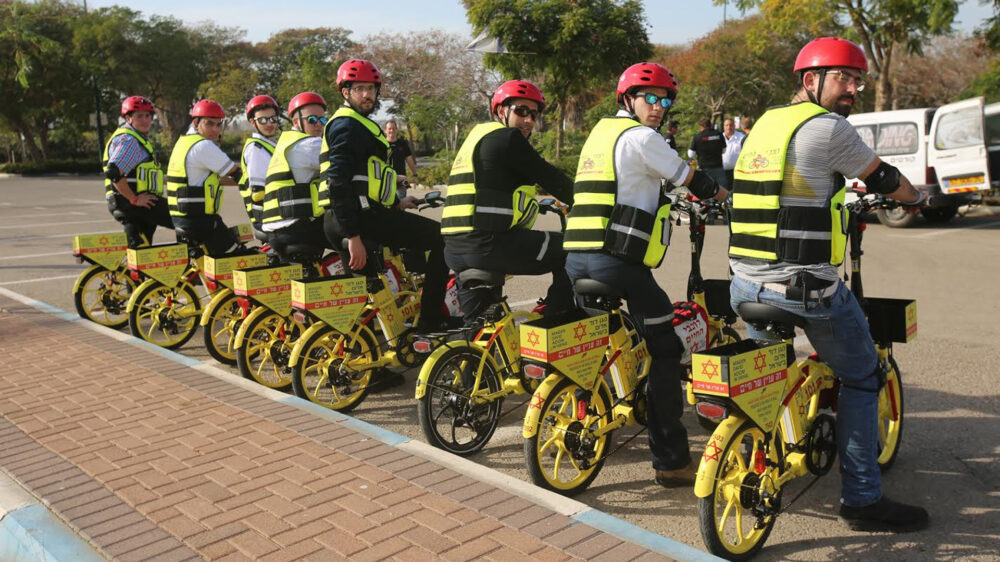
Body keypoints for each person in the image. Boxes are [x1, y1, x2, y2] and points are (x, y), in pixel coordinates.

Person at [728, 37, 929, 532]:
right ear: (809, 80)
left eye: (857, 79)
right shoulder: (827, 128)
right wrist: (916, 197)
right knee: (862, 375)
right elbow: (884, 179)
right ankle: (862, 498)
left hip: (745, 284)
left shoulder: (764, 126)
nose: (853, 88)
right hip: (804, 288)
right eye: (843, 77)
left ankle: (773, 453)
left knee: (769, 377)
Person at [563, 62, 728, 487]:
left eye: (664, 101)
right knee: (666, 349)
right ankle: (671, 460)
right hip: (615, 262)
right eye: (649, 99)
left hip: (575, 259)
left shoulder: (600, 135)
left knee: (602, 340)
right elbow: (686, 176)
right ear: (628, 100)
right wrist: (725, 194)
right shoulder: (641, 138)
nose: (658, 108)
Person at [322, 59, 448, 336]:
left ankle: (377, 353)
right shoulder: (348, 125)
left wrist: (398, 202)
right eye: (359, 89)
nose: (367, 95)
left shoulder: (357, 124)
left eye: (371, 89)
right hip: (357, 220)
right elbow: (338, 182)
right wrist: (353, 235)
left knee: (367, 296)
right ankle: (430, 320)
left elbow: (366, 181)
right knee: (442, 239)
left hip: (349, 216)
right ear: (346, 92)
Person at [441, 80, 575, 326]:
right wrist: (589, 202)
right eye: (521, 111)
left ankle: (472, 359)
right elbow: (553, 179)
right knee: (572, 250)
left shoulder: (475, 139)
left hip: (455, 248)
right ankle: (554, 317)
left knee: (480, 330)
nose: (529, 121)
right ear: (501, 111)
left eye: (534, 115)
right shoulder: (508, 139)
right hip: (489, 246)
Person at [166, 99, 243, 256]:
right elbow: (237, 174)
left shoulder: (183, 143)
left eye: (218, 124)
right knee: (236, 256)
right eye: (209, 124)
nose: (215, 129)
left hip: (181, 217)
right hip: (201, 221)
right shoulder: (203, 146)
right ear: (196, 123)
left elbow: (211, 179)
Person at [261, 92, 332, 255]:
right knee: (355, 234)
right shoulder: (310, 144)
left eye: (323, 120)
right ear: (295, 121)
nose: (318, 125)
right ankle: (360, 279)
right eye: (312, 120)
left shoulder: (284, 144)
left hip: (274, 230)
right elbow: (345, 166)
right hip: (297, 228)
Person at [103, 96, 173, 248]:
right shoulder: (129, 140)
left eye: (148, 115)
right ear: (128, 118)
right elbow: (113, 172)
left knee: (141, 253)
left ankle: (131, 272)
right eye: (139, 116)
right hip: (134, 204)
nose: (146, 120)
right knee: (184, 219)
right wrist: (134, 199)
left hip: (132, 204)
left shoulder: (137, 139)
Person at [240, 95, 280, 231]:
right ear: (253, 122)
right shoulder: (256, 148)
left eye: (273, 119)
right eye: (262, 120)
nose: (269, 124)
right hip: (268, 217)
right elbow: (258, 193)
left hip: (275, 214)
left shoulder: (268, 145)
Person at [688, 117, 726, 188]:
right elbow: (724, 150)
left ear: (701, 126)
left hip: (704, 169)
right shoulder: (719, 134)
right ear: (710, 125)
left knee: (706, 191)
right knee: (722, 191)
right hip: (718, 168)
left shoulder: (697, 137)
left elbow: (690, 154)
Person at [385, 119, 419, 192]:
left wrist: (415, 175)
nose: (392, 130)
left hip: (402, 180)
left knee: (402, 201)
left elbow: (409, 159)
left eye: (394, 128)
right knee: (387, 202)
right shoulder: (382, 144)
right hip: (386, 180)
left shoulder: (402, 144)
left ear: (397, 130)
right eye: (389, 129)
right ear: (385, 130)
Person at [721, 117, 746, 190]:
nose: (729, 127)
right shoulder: (719, 137)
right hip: (722, 172)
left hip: (737, 172)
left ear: (734, 126)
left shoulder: (741, 137)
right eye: (727, 125)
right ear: (724, 127)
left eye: (731, 125)